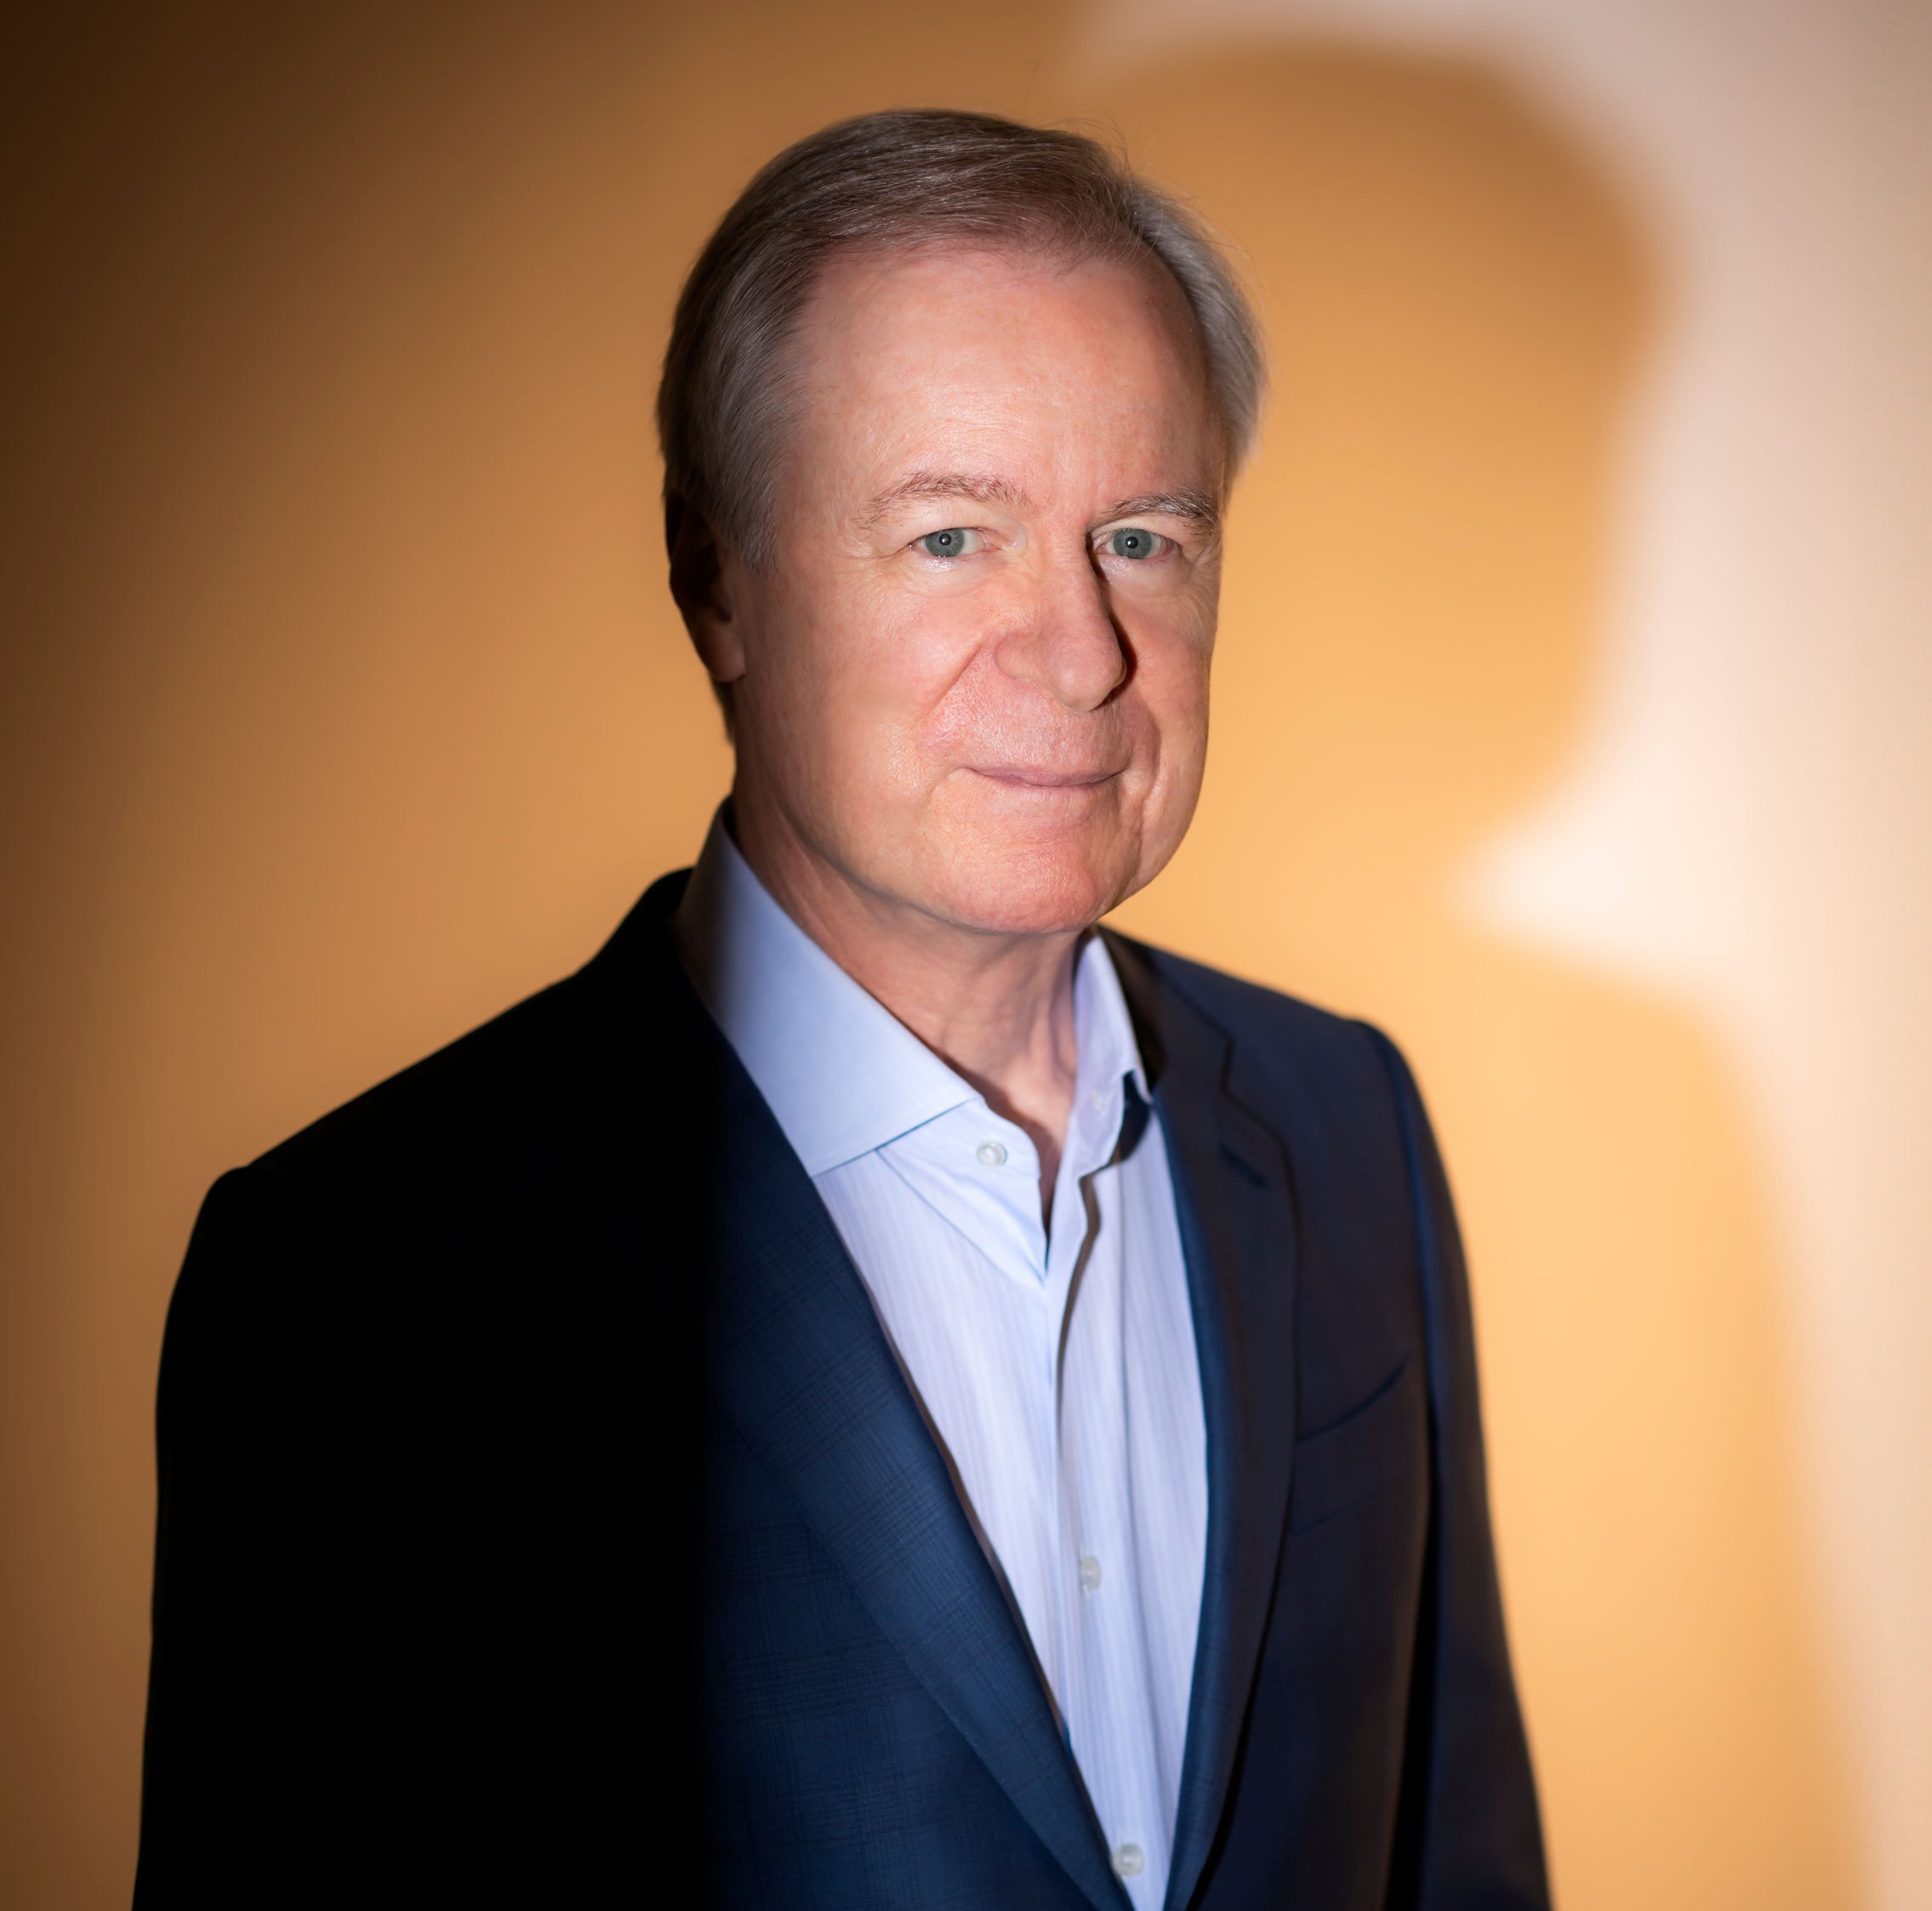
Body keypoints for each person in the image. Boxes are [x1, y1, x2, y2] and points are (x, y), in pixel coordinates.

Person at [134, 108, 1547, 1909]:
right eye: (954, 536)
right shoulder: (361, 1285)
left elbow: (1458, 1860)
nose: (1083, 653)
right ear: (714, 578)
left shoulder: (1348, 1129)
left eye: (1141, 536)